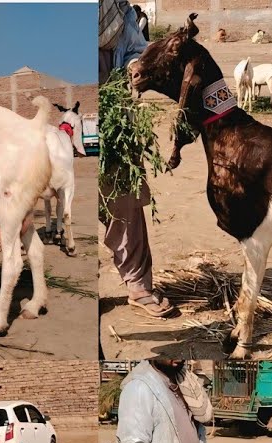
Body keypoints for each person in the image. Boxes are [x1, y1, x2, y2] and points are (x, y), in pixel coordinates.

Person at [100, 0, 178, 318]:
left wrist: (135, 66)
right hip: (70, 102)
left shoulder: (116, 6)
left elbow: (135, 47)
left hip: (113, 109)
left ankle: (138, 285)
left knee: (125, 199)